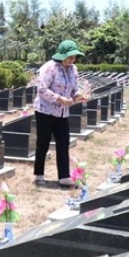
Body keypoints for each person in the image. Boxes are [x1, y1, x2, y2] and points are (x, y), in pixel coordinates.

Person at [33, 39, 86, 187]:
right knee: (43, 143)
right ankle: (39, 174)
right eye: (70, 56)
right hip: (45, 111)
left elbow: (74, 88)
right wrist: (59, 99)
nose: (72, 59)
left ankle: (64, 176)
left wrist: (77, 96)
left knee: (63, 143)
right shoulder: (49, 68)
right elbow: (42, 89)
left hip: (63, 113)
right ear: (62, 55)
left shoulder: (73, 69)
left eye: (74, 57)